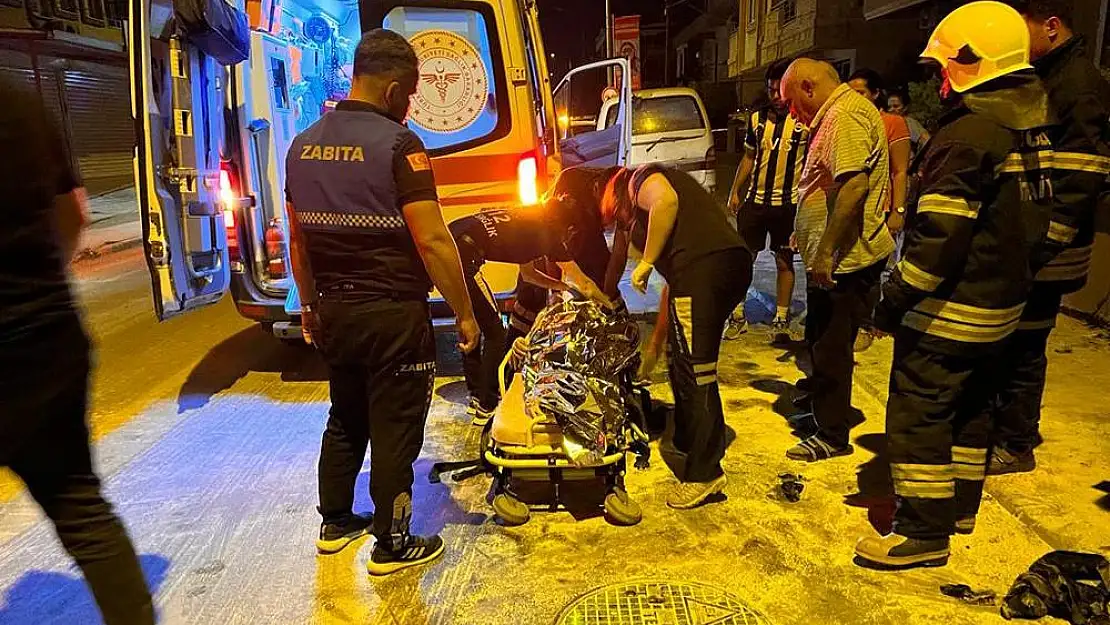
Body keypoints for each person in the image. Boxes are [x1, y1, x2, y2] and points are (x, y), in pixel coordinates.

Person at [855, 1, 1057, 568]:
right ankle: (959, 507)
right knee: (972, 409)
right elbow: (1041, 223)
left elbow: (937, 241)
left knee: (920, 413)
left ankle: (921, 532)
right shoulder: (1028, 126)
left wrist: (891, 302)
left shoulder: (967, 135)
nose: (940, 79)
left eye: (945, 67)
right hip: (1002, 307)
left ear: (972, 64)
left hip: (949, 311)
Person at [284, 29, 480, 576]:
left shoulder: (302, 144)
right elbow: (434, 240)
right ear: (394, 91)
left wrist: (309, 306)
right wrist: (464, 312)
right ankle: (393, 544)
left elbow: (298, 240)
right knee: (396, 424)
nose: (410, 107)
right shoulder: (399, 146)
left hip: (336, 310)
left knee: (346, 415)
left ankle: (336, 522)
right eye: (411, 96)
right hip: (393, 311)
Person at [0, 77, 154, 623]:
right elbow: (76, 214)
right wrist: (40, 283)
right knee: (79, 506)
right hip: (45, 338)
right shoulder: (18, 102)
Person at [988, 0, 1110, 475]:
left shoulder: (1076, 84)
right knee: (1009, 342)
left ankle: (1016, 443)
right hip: (1029, 243)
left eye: (1023, 32)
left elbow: (1081, 177)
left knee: (1023, 345)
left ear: (1052, 27)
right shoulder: (1049, 76)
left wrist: (1044, 244)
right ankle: (1006, 427)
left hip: (1047, 251)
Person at [603, 165, 753, 509]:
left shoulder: (639, 179)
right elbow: (675, 287)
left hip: (709, 267)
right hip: (714, 268)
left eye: (616, 218)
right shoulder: (682, 236)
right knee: (683, 356)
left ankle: (705, 473)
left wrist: (646, 262)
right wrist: (655, 346)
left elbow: (665, 200)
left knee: (695, 371)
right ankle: (687, 437)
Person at [778, 59, 896, 462]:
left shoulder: (843, 117)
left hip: (845, 263)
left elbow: (853, 188)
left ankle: (832, 435)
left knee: (831, 349)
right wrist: (806, 230)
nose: (793, 113)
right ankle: (823, 413)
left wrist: (826, 249)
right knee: (821, 340)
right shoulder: (838, 115)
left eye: (793, 103)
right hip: (835, 260)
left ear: (808, 87)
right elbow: (827, 186)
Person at [449, 192, 616, 425]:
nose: (570, 237)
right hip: (462, 257)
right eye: (572, 231)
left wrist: (560, 285)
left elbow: (528, 275)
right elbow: (586, 283)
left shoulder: (528, 219)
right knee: (496, 332)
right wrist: (609, 306)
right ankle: (487, 405)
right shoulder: (549, 236)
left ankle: (478, 394)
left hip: (451, 245)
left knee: (476, 322)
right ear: (565, 227)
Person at [725, 58, 808, 343]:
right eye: (771, 90)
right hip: (756, 202)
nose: (775, 97)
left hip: (787, 205)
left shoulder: (805, 122)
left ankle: (782, 319)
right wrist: (735, 190)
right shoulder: (757, 120)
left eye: (779, 91)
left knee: (785, 261)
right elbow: (749, 157)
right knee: (743, 260)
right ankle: (737, 315)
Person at [847, 68, 913, 354]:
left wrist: (897, 210)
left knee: (871, 273)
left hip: (880, 209)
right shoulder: (847, 123)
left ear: (876, 94)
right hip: (850, 210)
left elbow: (900, 171)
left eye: (860, 92)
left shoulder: (893, 124)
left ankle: (865, 325)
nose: (855, 98)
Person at [886, 90, 931, 155]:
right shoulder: (890, 124)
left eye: (896, 106)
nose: (891, 109)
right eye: (889, 107)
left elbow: (925, 140)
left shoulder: (907, 122)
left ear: (905, 108)